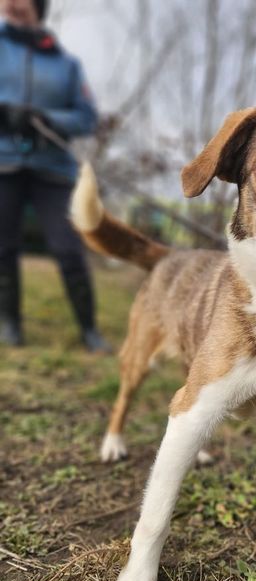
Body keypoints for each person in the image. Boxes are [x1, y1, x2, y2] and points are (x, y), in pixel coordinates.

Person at [0, 0, 110, 351]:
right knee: (3, 246)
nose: (11, 4)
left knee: (68, 247)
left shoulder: (65, 64)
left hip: (54, 169)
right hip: (3, 163)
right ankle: (10, 323)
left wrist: (47, 119)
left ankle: (89, 328)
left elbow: (86, 117)